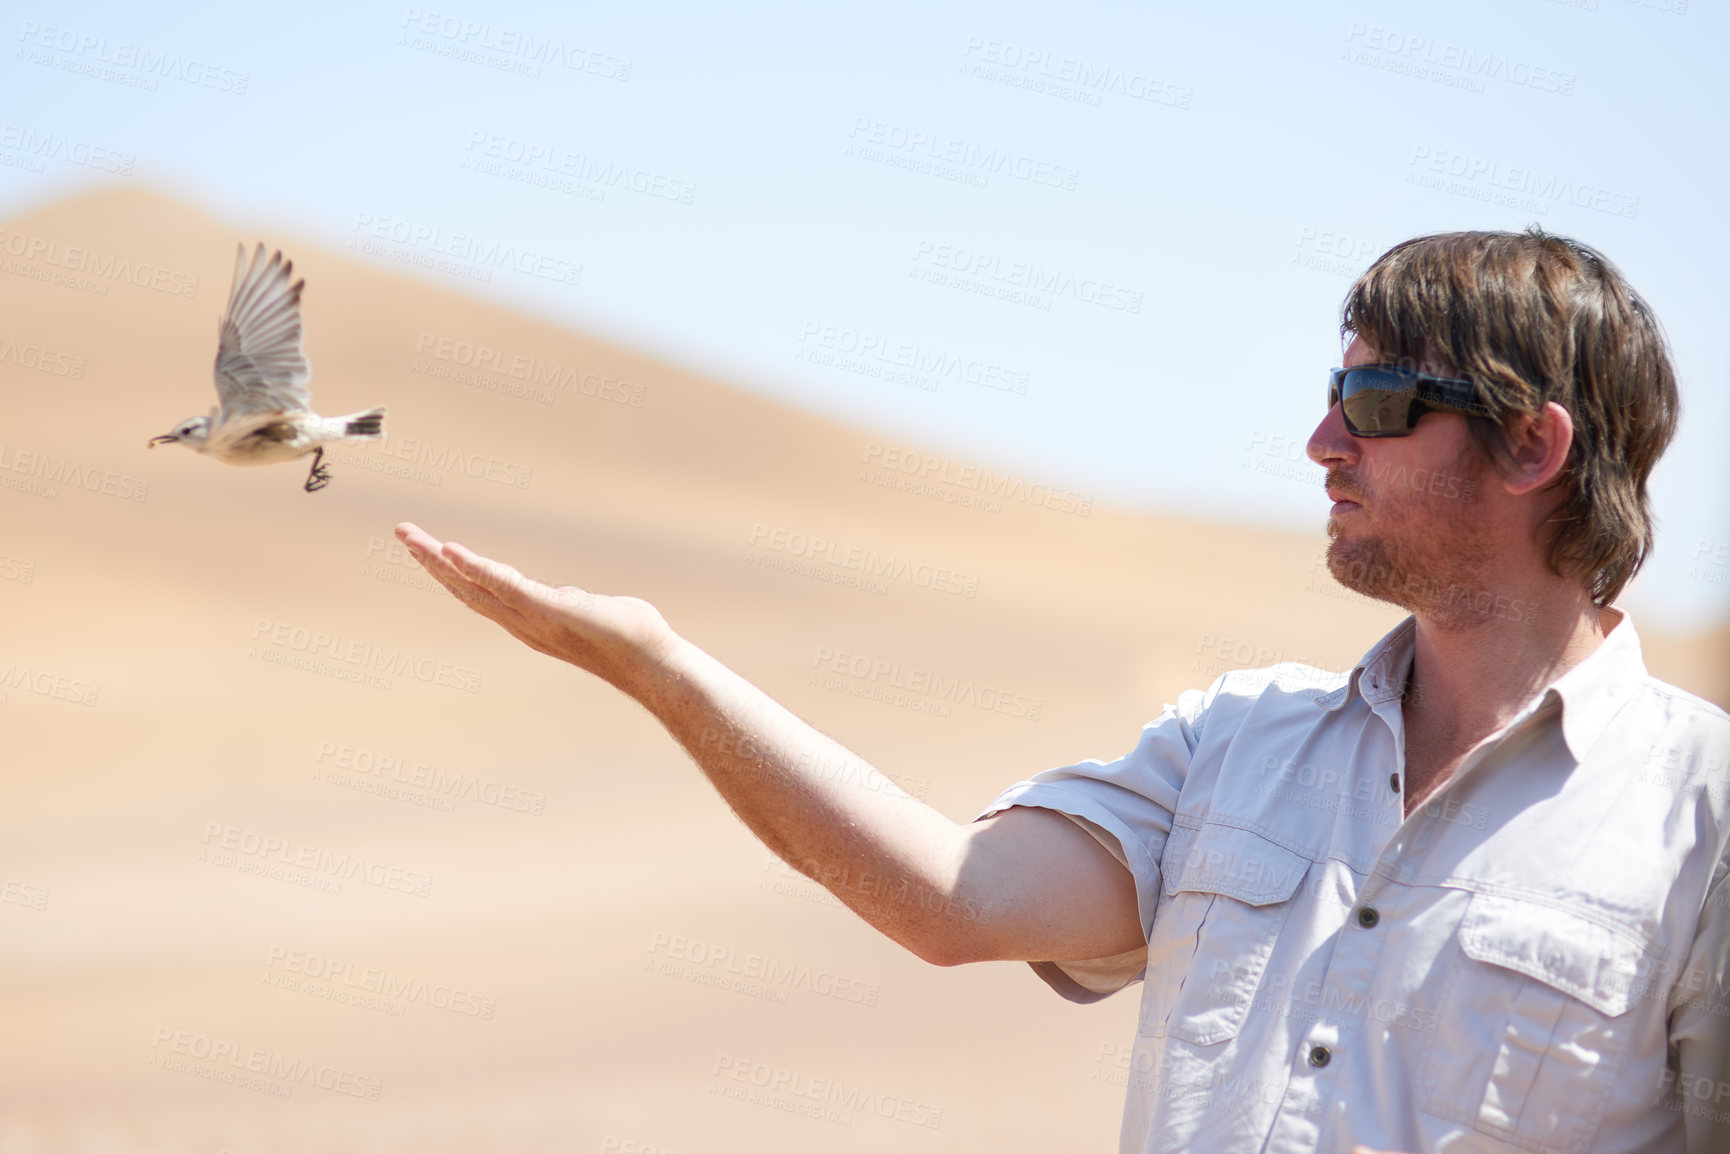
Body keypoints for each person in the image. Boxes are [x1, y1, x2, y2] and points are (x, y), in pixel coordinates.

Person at [395, 228, 1729, 1154]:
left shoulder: (1702, 820)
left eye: (1375, 400)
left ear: (1532, 444)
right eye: (1331, 393)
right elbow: (951, 895)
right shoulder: (1234, 744)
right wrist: (660, 669)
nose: (1321, 441)